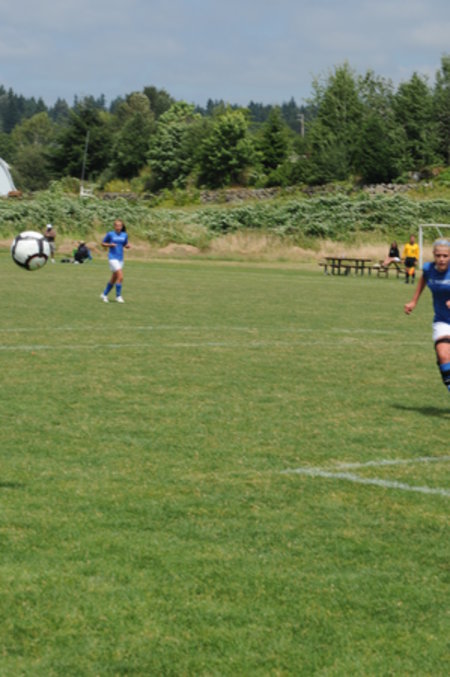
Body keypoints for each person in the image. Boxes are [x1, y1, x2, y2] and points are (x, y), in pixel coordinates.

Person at [404, 239, 450, 393]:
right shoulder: (429, 269)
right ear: (434, 255)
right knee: (443, 355)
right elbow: (424, 279)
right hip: (442, 320)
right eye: (438, 256)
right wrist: (413, 301)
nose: (441, 259)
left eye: (445, 256)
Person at [100, 219, 130, 303]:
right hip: (112, 258)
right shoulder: (110, 234)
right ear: (114, 226)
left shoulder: (124, 235)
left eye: (120, 225)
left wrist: (127, 246)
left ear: (122, 226)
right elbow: (102, 243)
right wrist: (110, 245)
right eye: (116, 225)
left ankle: (104, 294)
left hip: (120, 258)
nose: (118, 227)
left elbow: (125, 244)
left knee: (113, 279)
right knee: (120, 276)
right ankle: (118, 296)